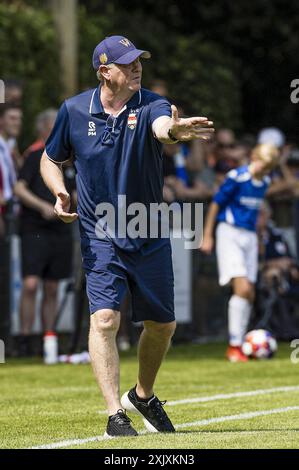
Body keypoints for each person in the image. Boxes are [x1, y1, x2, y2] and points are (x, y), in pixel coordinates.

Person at [40, 35, 214, 437]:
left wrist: (174, 129)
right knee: (104, 319)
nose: (137, 67)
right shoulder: (73, 110)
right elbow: (51, 158)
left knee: (162, 326)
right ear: (104, 71)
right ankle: (114, 413)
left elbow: (161, 127)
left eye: (139, 61)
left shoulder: (149, 101)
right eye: (127, 63)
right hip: (99, 230)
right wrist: (59, 190)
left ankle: (143, 395)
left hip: (148, 227)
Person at [200, 143, 279, 362]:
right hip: (230, 232)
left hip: (250, 236)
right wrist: (208, 235)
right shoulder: (237, 177)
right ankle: (234, 346)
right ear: (254, 156)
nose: (265, 169)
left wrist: (260, 238)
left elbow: (256, 210)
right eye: (264, 163)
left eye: (270, 166)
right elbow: (216, 204)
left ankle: (241, 342)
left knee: (250, 292)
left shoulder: (264, 181)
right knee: (242, 288)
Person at [14, 109, 76, 361]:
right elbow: (19, 188)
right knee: (30, 285)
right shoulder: (34, 155)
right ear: (43, 129)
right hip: (34, 227)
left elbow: (76, 190)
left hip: (60, 229)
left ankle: (47, 340)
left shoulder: (68, 158)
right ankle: (25, 340)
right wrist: (42, 207)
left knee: (52, 287)